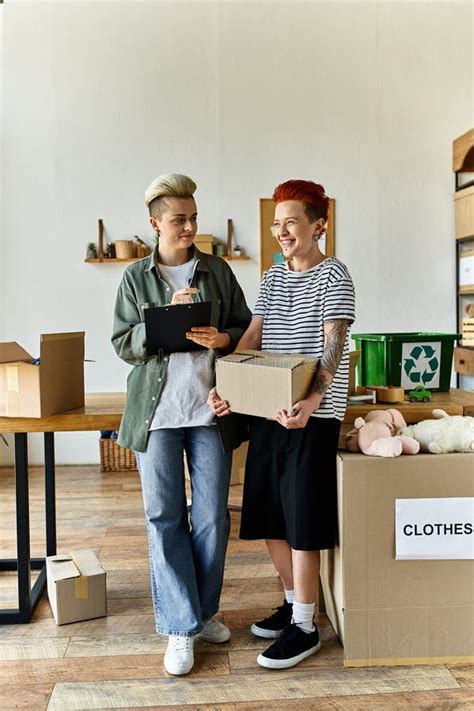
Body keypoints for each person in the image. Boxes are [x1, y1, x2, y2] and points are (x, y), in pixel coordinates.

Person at [209, 179, 355, 670]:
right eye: (277, 223)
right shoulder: (272, 278)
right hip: (269, 410)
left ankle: (307, 627)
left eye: (292, 221)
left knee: (302, 521)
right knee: (269, 516)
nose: (282, 231)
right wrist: (226, 383)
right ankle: (296, 607)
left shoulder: (334, 275)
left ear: (319, 224)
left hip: (311, 417)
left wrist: (313, 402)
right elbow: (254, 335)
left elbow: (333, 349)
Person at [112, 173, 251, 676]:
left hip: (210, 411)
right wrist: (160, 320)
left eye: (194, 216)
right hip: (158, 417)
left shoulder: (217, 270)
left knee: (213, 516)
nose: (190, 226)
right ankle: (178, 626)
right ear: (155, 224)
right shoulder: (134, 278)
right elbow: (122, 342)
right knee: (164, 516)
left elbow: (244, 328)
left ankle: (202, 611)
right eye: (179, 219)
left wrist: (223, 339)